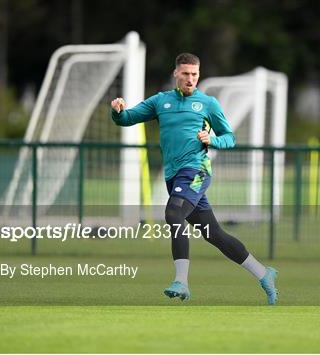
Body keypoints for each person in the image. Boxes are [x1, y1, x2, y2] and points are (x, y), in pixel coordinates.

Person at [110, 53, 278, 305]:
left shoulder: (207, 103)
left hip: (197, 170)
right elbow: (127, 119)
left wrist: (214, 140)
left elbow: (229, 137)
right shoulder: (160, 101)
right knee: (214, 234)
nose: (190, 79)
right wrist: (118, 111)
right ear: (176, 73)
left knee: (173, 212)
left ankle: (181, 281)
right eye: (186, 74)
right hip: (174, 176)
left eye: (195, 74)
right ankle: (264, 273)